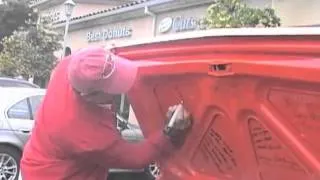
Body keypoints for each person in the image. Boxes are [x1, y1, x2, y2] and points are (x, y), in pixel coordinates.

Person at [20, 46, 192, 180]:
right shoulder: (85, 133)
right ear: (90, 96)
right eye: (113, 88)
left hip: (39, 158)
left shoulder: (73, 66)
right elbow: (135, 158)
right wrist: (170, 134)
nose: (119, 91)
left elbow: (93, 59)